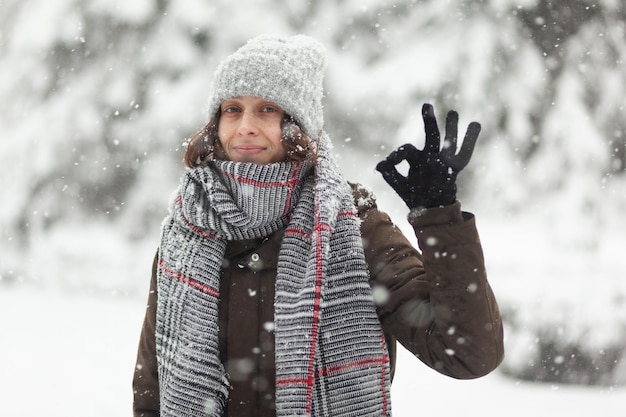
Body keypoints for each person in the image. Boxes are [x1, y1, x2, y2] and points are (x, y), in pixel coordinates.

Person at [132, 34, 504, 417]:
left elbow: (467, 354)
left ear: (297, 125)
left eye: (267, 109)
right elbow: (152, 389)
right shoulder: (188, 227)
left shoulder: (352, 224)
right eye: (232, 109)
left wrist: (439, 217)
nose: (245, 126)